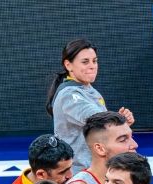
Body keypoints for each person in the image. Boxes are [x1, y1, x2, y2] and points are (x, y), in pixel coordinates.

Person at [46, 39, 134, 170]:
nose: (92, 66)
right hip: (77, 172)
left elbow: (104, 127)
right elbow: (97, 119)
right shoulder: (69, 94)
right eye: (85, 62)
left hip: (93, 170)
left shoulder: (90, 90)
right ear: (68, 65)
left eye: (95, 61)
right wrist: (119, 121)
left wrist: (122, 123)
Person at [63, 111, 139, 184]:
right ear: (100, 149)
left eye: (131, 137)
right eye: (123, 139)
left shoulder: (130, 181)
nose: (135, 145)